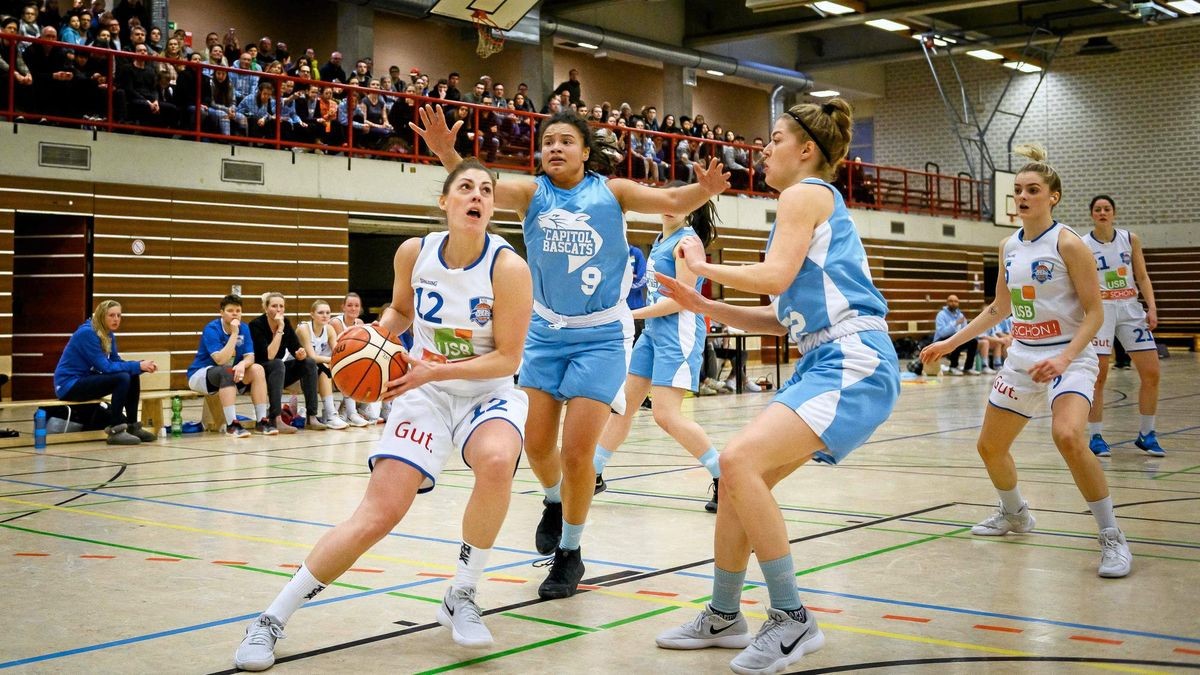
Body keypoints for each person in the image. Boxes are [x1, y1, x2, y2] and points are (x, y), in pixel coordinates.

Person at [411, 104, 729, 600]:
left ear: (584, 151)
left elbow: (668, 196)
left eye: (565, 140)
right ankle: (554, 502)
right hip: (543, 331)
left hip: (601, 335)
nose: (554, 147)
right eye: (548, 141)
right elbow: (477, 184)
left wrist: (704, 190)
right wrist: (447, 152)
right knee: (538, 446)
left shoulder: (613, 192)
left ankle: (571, 553)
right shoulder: (532, 193)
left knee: (579, 454)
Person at [232, 159, 532, 671]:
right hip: (425, 392)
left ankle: (461, 592)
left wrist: (430, 372)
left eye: (486, 189)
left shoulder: (509, 268)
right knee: (379, 513)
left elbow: (509, 357)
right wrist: (373, 336)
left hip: (486, 392)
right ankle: (271, 618)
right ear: (445, 201)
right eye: (465, 188)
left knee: (498, 459)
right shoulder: (413, 252)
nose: (476, 196)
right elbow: (400, 311)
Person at [653, 98, 899, 674]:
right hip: (825, 355)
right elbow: (779, 314)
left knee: (736, 461)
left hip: (853, 359)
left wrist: (705, 266)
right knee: (743, 480)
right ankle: (723, 614)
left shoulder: (804, 194)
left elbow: (775, 278)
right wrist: (703, 302)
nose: (765, 148)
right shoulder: (803, 207)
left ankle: (790, 618)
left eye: (775, 138)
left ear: (806, 150)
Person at [920, 144, 1133, 580]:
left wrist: (1065, 358)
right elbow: (998, 309)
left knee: (1069, 436)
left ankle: (1112, 535)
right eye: (1017, 190)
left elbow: (1095, 314)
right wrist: (949, 343)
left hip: (1069, 357)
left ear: (1052, 196)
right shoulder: (1007, 246)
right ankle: (1016, 514)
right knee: (989, 447)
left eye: (1032, 190)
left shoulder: (1070, 243)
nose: (1022, 196)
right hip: (1022, 357)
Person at [594, 186, 723, 511]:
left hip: (677, 335)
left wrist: (630, 313)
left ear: (690, 208)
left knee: (666, 416)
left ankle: (726, 476)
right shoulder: (662, 238)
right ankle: (592, 473)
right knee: (623, 406)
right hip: (653, 335)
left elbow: (681, 301)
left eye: (680, 202)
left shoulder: (686, 243)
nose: (671, 206)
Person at [1084, 195, 1165, 458]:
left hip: (1130, 307)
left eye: (1107, 209)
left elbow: (1141, 275)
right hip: (1101, 310)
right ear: (1092, 215)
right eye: (1098, 209)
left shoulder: (1130, 239)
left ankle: (1147, 434)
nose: (1103, 213)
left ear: (1114, 213)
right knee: (1099, 376)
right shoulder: (1083, 244)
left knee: (1151, 372)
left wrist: (1151, 307)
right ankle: (1095, 435)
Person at [53, 300, 159, 445]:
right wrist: (137, 365)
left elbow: (116, 361)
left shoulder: (108, 334)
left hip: (86, 380)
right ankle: (115, 431)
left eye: (119, 315)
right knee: (122, 378)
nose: (116, 319)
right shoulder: (87, 333)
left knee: (131, 375)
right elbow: (106, 367)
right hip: (69, 385)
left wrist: (140, 366)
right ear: (101, 316)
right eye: (111, 315)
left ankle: (133, 427)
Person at [185, 294, 269, 438]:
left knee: (257, 369)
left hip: (230, 374)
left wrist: (243, 364)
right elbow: (220, 360)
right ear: (221, 313)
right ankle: (232, 425)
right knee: (226, 370)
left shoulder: (245, 328)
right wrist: (234, 334)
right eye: (230, 310)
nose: (235, 313)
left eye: (238, 310)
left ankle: (261, 422)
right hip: (201, 374)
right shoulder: (212, 329)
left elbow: (250, 357)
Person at [248, 292, 325, 435]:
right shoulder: (256, 325)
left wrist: (300, 353)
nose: (278, 310)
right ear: (266, 308)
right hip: (258, 374)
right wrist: (280, 328)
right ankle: (275, 418)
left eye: (281, 306)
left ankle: (311, 416)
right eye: (274, 306)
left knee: (309, 363)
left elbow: (295, 347)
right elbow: (268, 355)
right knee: (277, 363)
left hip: (277, 374)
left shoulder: (286, 323)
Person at [295, 299, 349, 429]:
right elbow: (312, 357)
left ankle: (334, 414)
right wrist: (330, 361)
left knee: (329, 371)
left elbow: (337, 354)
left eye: (328, 313)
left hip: (315, 369)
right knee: (324, 369)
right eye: (320, 312)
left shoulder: (329, 329)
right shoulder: (303, 329)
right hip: (295, 369)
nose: (325, 315)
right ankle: (330, 414)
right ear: (312, 314)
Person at [329, 292, 373, 426]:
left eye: (356, 305)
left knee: (372, 367)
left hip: (349, 360)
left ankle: (363, 409)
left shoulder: (359, 323)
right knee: (352, 372)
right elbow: (338, 351)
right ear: (343, 307)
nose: (353, 308)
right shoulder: (336, 322)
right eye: (349, 305)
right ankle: (351, 413)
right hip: (332, 360)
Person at [932, 294, 978, 375]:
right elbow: (942, 332)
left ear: (958, 303)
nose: (953, 303)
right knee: (956, 340)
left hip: (955, 338)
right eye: (951, 301)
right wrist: (955, 323)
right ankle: (953, 367)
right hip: (941, 340)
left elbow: (965, 330)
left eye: (956, 301)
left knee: (973, 342)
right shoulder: (941, 315)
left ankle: (968, 368)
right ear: (947, 302)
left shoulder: (960, 315)